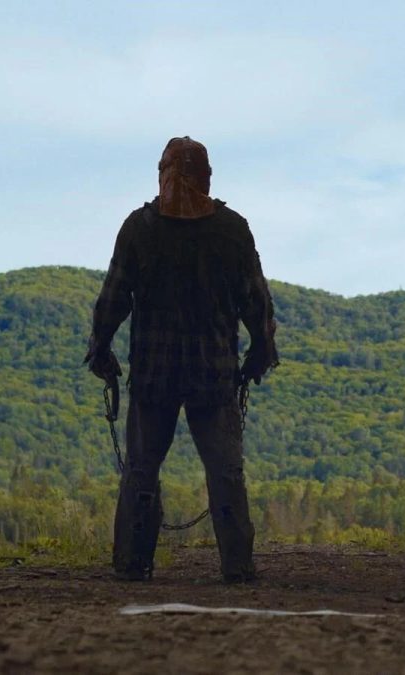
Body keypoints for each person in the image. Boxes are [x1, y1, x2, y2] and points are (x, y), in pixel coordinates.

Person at [84, 136, 278, 583]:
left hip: (154, 375)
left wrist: (100, 348)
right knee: (225, 472)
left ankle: (133, 562)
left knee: (141, 469)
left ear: (163, 175)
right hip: (214, 373)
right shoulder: (232, 230)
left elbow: (113, 298)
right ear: (207, 177)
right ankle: (237, 565)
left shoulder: (139, 229)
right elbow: (256, 301)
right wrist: (261, 351)